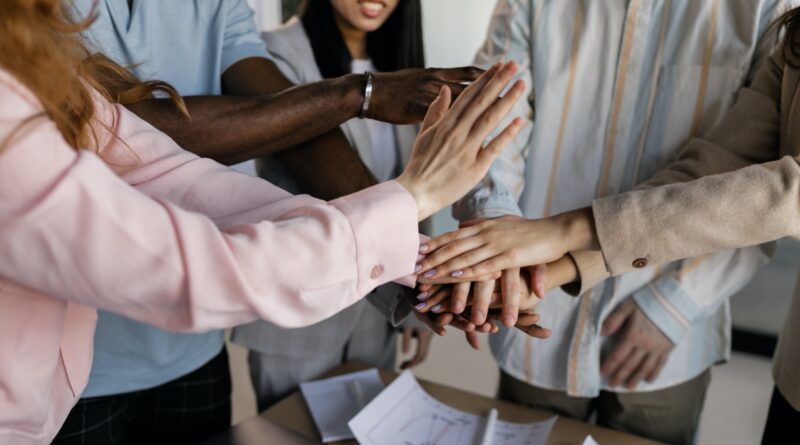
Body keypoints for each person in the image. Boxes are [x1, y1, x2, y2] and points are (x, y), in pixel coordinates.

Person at [0, 2, 530, 443]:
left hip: (186, 354)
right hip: (82, 379)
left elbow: (176, 173)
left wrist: (422, 263)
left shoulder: (35, 65)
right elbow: (195, 271)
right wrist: (412, 191)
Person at [414, 0, 796, 443]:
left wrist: (675, 306)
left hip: (669, 328)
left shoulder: (766, 8)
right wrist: (496, 239)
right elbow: (495, 110)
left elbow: (760, 189)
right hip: (539, 305)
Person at [231, 0, 433, 411]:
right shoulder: (270, 53)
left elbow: (416, 197)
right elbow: (326, 183)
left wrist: (418, 306)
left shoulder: (404, 68)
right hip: (299, 310)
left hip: (378, 315)